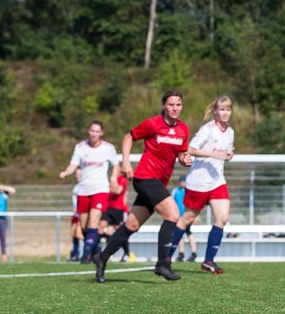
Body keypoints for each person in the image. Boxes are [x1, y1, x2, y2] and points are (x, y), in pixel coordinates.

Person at [89, 90, 193, 283]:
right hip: (145, 177)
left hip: (158, 183)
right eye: (171, 104)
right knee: (173, 215)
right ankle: (163, 264)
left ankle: (101, 257)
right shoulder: (153, 124)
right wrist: (126, 161)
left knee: (132, 225)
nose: (175, 108)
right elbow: (129, 137)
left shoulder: (183, 130)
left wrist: (184, 159)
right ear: (164, 105)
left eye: (178, 104)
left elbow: (180, 153)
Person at [165, 96, 234, 274]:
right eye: (222, 109)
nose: (225, 113)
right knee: (187, 219)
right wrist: (213, 154)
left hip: (217, 180)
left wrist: (228, 154)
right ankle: (166, 256)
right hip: (198, 181)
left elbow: (225, 152)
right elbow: (191, 148)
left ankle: (209, 261)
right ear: (216, 111)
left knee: (222, 218)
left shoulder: (230, 132)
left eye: (228, 109)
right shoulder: (208, 129)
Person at [58, 121, 120, 265]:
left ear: (101, 133)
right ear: (88, 131)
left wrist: (113, 178)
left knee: (94, 220)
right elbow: (73, 164)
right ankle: (95, 249)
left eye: (97, 131)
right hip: (83, 190)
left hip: (100, 189)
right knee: (85, 226)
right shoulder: (80, 147)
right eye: (92, 131)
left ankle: (86, 255)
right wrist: (66, 172)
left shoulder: (108, 148)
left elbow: (116, 165)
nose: (94, 134)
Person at [170, 176, 197, 262]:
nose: (182, 183)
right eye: (181, 181)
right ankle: (181, 253)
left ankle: (193, 253)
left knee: (188, 233)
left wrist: (194, 216)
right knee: (179, 234)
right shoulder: (176, 191)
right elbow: (171, 202)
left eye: (184, 181)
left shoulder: (189, 191)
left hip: (187, 216)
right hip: (178, 216)